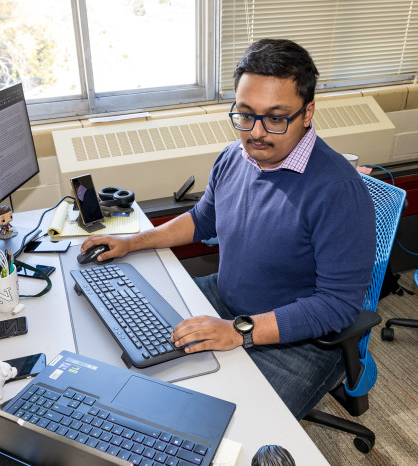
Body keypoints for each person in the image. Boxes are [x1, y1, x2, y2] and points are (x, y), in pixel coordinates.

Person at [80, 39, 375, 418]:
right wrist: (133, 241)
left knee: (229, 430)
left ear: (307, 112)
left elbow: (337, 306)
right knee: (128, 347)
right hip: (224, 300)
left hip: (302, 342)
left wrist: (240, 330)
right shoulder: (236, 157)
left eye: (276, 117)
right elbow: (204, 218)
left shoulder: (338, 191)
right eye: (245, 114)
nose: (256, 133)